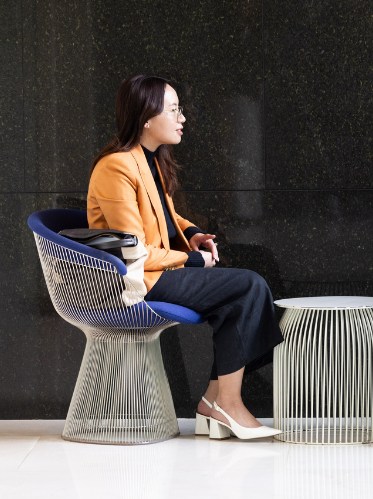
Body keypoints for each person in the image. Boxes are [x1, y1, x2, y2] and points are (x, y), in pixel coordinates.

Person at [87, 75, 283, 440]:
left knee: (240, 298)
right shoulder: (116, 166)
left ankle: (215, 402)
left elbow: (163, 215)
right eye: (174, 110)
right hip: (133, 283)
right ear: (146, 116)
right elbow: (131, 250)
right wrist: (192, 260)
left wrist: (191, 233)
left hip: (156, 273)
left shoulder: (148, 160)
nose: (182, 118)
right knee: (248, 286)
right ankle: (227, 403)